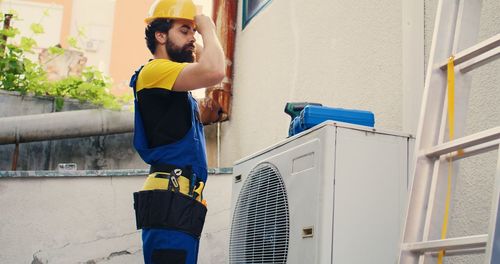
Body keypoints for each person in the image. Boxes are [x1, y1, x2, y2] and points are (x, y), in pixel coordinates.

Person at [129, 0, 225, 263]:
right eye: (184, 31)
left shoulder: (171, 83)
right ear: (160, 35)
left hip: (180, 196)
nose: (192, 38)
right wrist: (207, 26)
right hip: (172, 194)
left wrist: (192, 37)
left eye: (193, 32)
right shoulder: (155, 70)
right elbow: (215, 69)